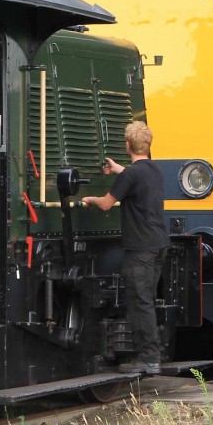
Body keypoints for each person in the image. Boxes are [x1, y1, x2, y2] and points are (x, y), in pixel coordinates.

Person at [82, 121, 171, 374]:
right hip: (158, 244)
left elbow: (107, 204)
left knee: (140, 302)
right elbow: (133, 176)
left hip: (140, 248)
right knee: (147, 301)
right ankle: (152, 353)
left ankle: (149, 358)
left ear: (127, 145)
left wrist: (88, 199)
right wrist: (118, 169)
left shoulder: (132, 175)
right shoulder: (154, 170)